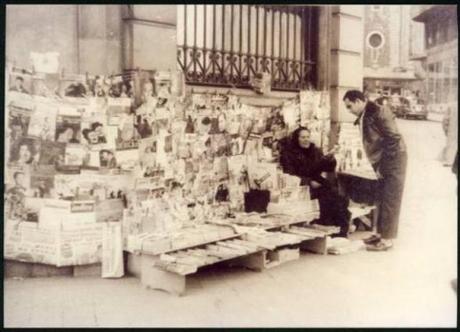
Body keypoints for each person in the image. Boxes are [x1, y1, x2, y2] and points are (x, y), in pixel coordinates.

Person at [343, 90, 407, 251]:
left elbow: (393, 138)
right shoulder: (366, 114)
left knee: (390, 199)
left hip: (392, 160)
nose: (349, 110)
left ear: (358, 101)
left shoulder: (380, 111)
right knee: (379, 197)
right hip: (381, 160)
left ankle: (387, 239)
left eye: (350, 106)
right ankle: (379, 233)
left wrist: (383, 167)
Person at [280, 126, 351, 237]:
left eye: (308, 137)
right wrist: (308, 182)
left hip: (317, 181)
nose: (306, 140)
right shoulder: (288, 153)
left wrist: (330, 159)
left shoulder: (315, 150)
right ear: (296, 139)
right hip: (300, 184)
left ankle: (340, 230)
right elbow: (290, 174)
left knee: (337, 196)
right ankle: (326, 228)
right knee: (325, 198)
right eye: (302, 137)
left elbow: (327, 168)